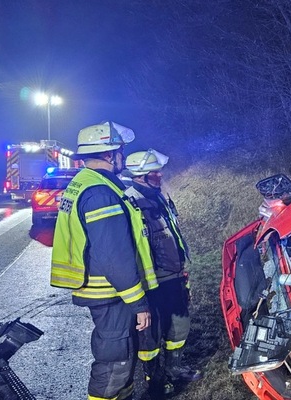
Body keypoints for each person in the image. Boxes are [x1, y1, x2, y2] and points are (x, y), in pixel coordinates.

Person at [50, 121, 159, 400]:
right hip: (111, 293)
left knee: (121, 358)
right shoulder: (100, 193)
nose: (123, 157)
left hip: (107, 291)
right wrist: (138, 303)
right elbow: (114, 255)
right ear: (110, 155)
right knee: (114, 363)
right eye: (121, 151)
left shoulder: (88, 183)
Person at [123, 149, 203, 395]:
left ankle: (174, 368)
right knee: (151, 335)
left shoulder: (159, 196)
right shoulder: (130, 201)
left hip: (173, 274)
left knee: (179, 326)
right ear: (141, 175)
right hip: (151, 280)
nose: (160, 175)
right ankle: (154, 380)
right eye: (155, 172)